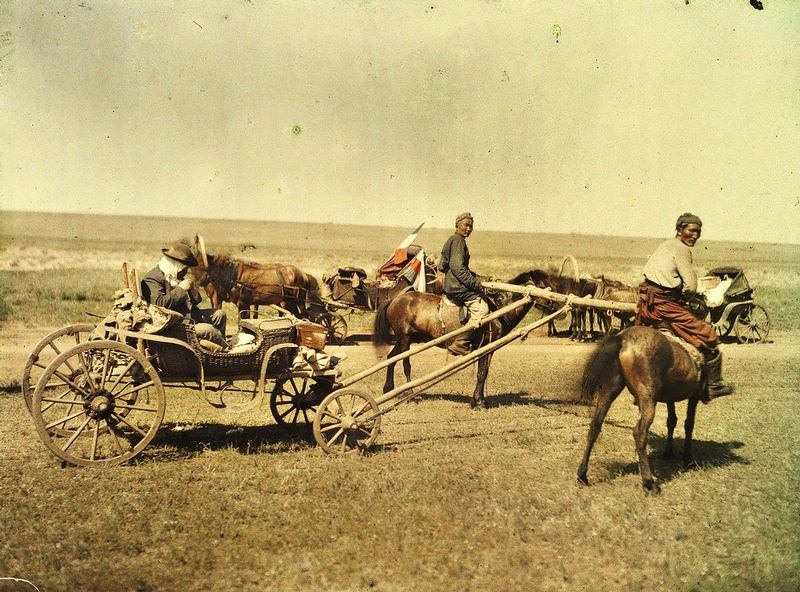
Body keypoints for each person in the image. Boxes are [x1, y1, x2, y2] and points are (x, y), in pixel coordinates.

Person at [635, 213, 734, 401]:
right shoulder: (682, 249)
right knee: (707, 335)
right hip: (667, 304)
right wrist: (686, 296)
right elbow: (690, 285)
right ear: (680, 230)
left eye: (698, 232)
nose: (695, 235)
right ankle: (714, 385)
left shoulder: (665, 245)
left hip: (648, 302)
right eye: (692, 230)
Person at [141, 239, 229, 351]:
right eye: (184, 268)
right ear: (176, 265)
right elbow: (159, 304)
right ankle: (226, 351)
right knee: (208, 330)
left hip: (186, 317)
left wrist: (195, 295)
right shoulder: (153, 279)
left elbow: (188, 303)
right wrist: (181, 289)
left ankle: (215, 349)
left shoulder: (173, 275)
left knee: (219, 314)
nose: (186, 272)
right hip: (173, 326)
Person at [438, 212, 490, 355]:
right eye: (466, 225)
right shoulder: (458, 241)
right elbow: (459, 268)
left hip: (452, 283)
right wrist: (476, 283)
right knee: (482, 310)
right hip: (457, 286)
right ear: (457, 225)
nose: (468, 229)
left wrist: (482, 278)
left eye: (471, 226)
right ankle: (461, 343)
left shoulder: (452, 240)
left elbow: (442, 265)